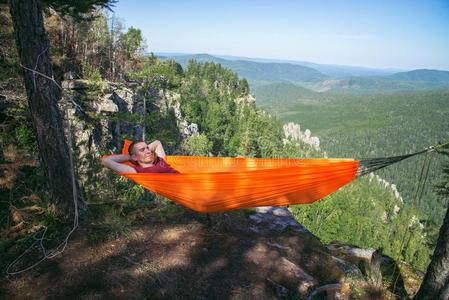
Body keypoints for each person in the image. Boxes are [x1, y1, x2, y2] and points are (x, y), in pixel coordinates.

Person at [102, 140, 179, 173]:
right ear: (134, 157)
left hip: (188, 181)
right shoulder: (137, 171)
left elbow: (157, 143)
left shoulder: (161, 160)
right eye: (142, 150)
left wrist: (143, 151)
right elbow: (106, 161)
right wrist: (129, 157)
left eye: (148, 148)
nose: (148, 151)